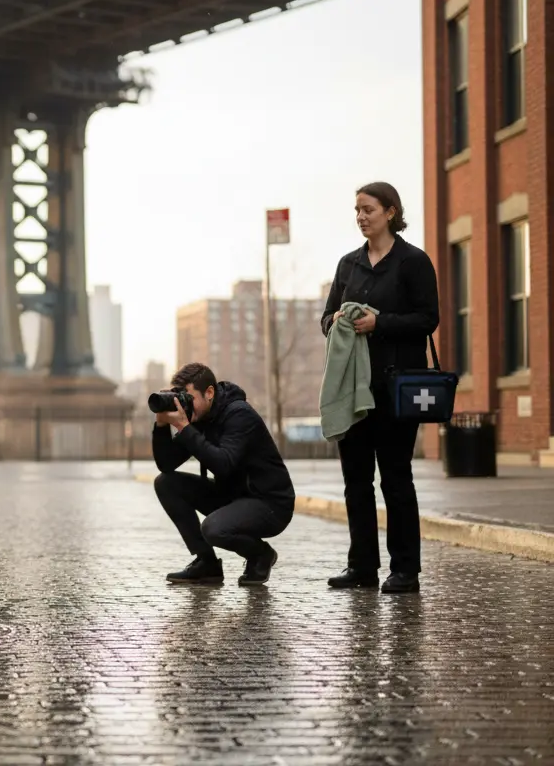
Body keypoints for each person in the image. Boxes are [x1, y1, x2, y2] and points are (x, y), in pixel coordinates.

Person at [319, 182, 439, 594]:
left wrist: (380, 322)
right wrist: (336, 322)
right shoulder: (348, 265)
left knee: (395, 479)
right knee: (356, 481)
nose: (361, 217)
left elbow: (428, 319)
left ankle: (405, 570)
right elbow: (326, 319)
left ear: (390, 212)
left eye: (368, 209)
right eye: (356, 210)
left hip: (395, 389)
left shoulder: (413, 262)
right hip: (352, 391)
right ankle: (362, 568)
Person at [152, 363, 296, 586]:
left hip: (270, 503)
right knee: (166, 483)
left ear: (209, 393)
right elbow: (166, 464)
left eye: (189, 398)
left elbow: (223, 464)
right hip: (233, 496)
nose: (186, 405)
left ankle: (260, 554)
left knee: (214, 528)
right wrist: (161, 426)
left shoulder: (239, 414)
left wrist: (185, 428)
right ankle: (206, 563)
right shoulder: (199, 418)